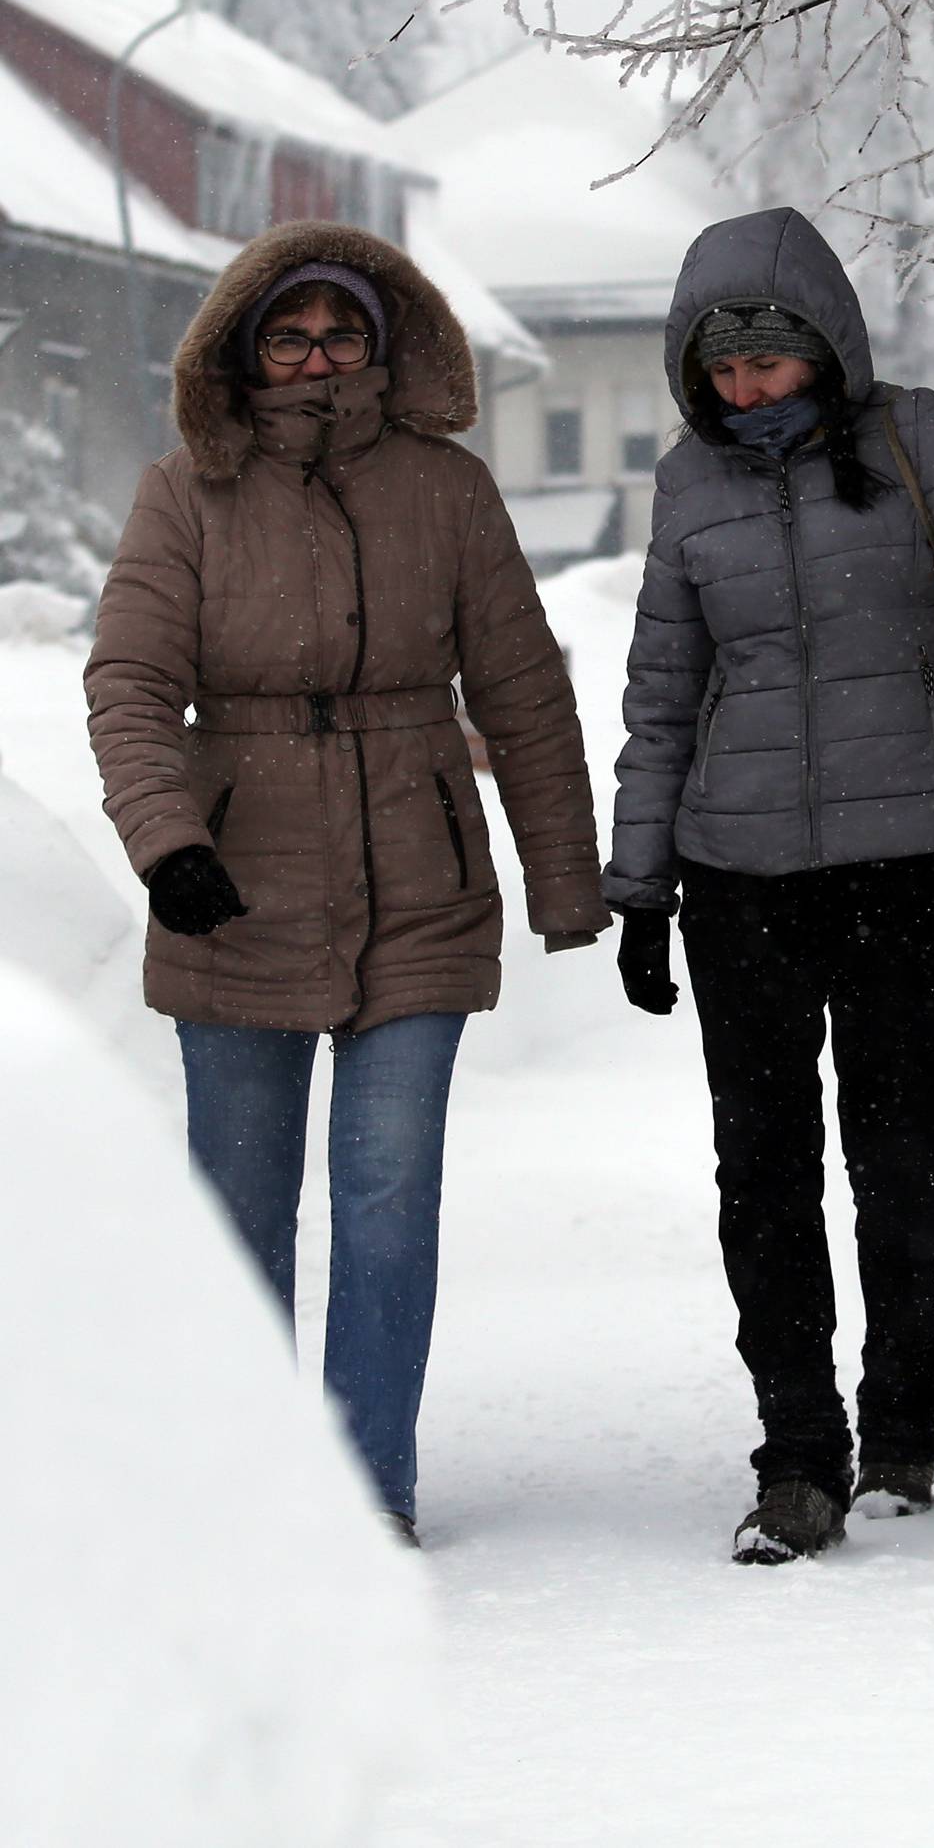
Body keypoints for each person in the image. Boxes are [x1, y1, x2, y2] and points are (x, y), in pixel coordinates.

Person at [86, 221, 610, 1543]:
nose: (316, 358)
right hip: (236, 885)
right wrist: (168, 841)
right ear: (242, 349)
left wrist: (564, 879)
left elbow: (523, 693)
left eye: (342, 335)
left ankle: (363, 1492)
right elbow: (133, 684)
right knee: (242, 1211)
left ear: (383, 348)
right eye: (289, 334)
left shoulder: (447, 490)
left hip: (418, 879)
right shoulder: (182, 494)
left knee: (385, 1198)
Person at [604, 206, 934, 1565]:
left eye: (769, 362)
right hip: (740, 880)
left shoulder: (918, 440)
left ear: (827, 346)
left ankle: (903, 1433)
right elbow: (664, 694)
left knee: (898, 1159)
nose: (745, 390)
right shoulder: (687, 486)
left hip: (917, 871)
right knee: (761, 1175)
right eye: (722, 369)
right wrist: (640, 888)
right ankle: (798, 1458)